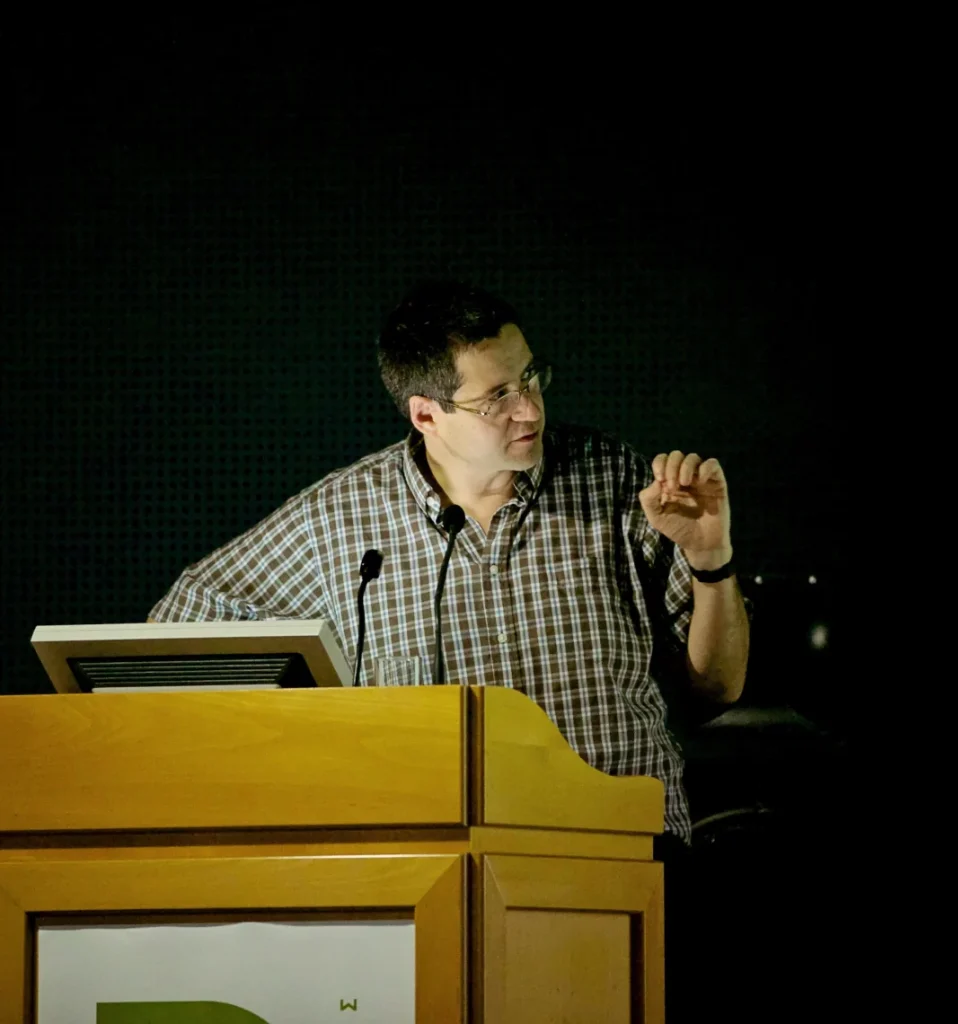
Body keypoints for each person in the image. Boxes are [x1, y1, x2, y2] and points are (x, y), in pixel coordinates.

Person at [148, 280, 750, 1006]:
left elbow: (720, 686)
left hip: (629, 869)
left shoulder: (615, 482)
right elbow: (181, 623)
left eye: (531, 377)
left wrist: (711, 559)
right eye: (496, 397)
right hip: (434, 891)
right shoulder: (340, 520)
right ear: (426, 414)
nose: (530, 408)